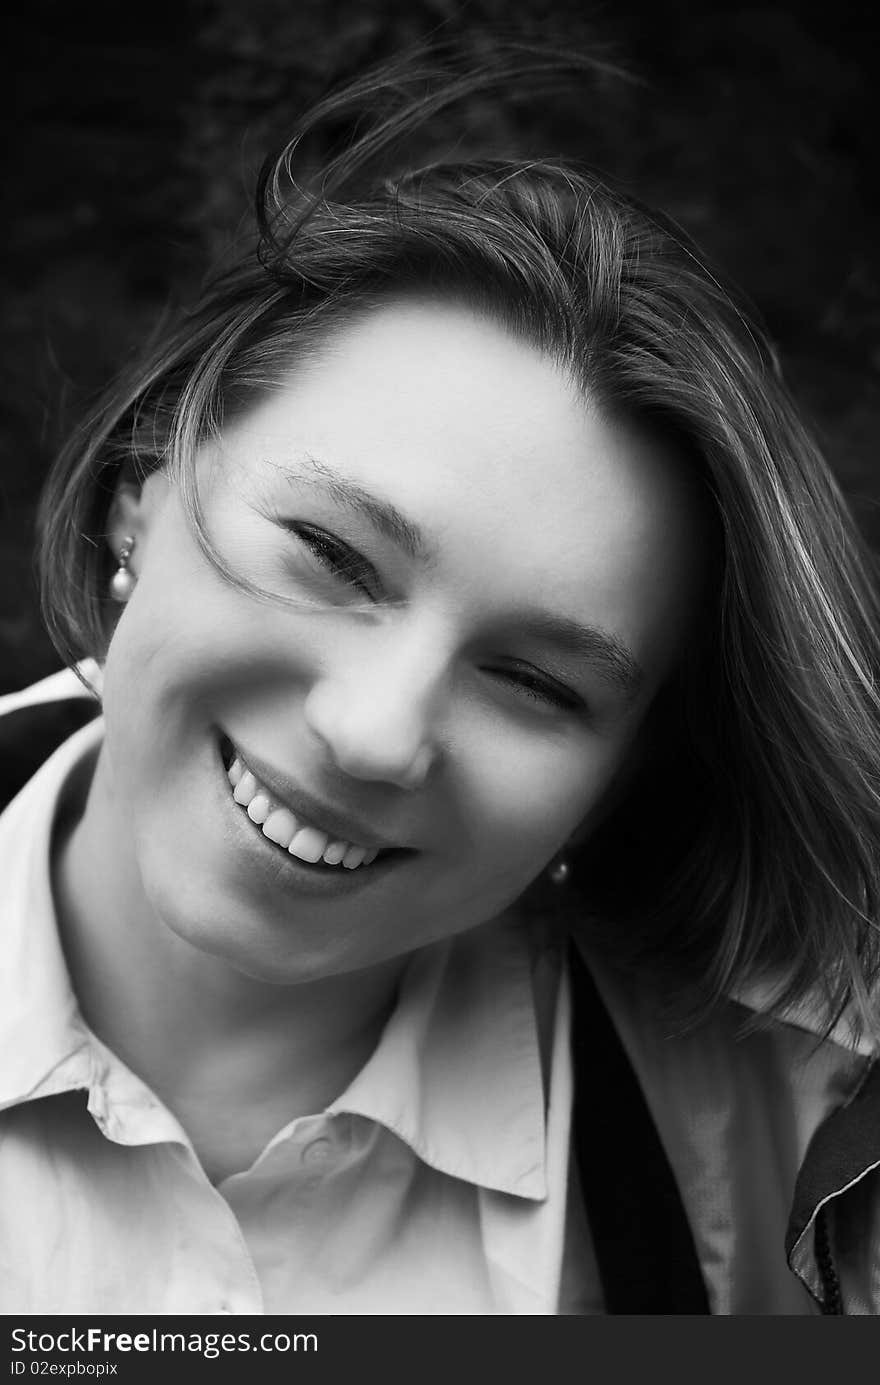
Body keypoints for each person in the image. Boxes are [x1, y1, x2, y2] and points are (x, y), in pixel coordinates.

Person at [2, 48, 879, 1316]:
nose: (373, 730)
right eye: (330, 555)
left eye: (534, 679)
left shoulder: (794, 1140)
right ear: (143, 485)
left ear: (621, 771)